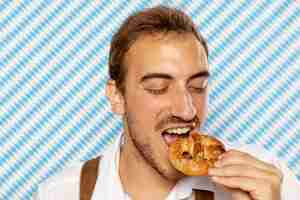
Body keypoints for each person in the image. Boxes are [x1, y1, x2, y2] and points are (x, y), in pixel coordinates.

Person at [34, 5, 300, 200]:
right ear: (117, 97)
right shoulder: (61, 193)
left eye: (198, 86)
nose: (187, 110)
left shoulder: (269, 180)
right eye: (158, 88)